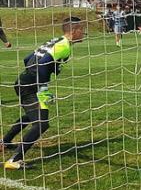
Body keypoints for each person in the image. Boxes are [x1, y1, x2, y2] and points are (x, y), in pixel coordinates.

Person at [1, 17, 85, 170]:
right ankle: (14, 160)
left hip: (24, 82)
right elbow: (44, 63)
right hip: (30, 87)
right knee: (41, 124)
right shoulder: (64, 46)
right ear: (73, 31)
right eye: (82, 30)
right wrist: (43, 87)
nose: (84, 33)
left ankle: (5, 141)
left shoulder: (55, 40)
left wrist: (32, 74)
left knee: (32, 115)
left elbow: (28, 59)